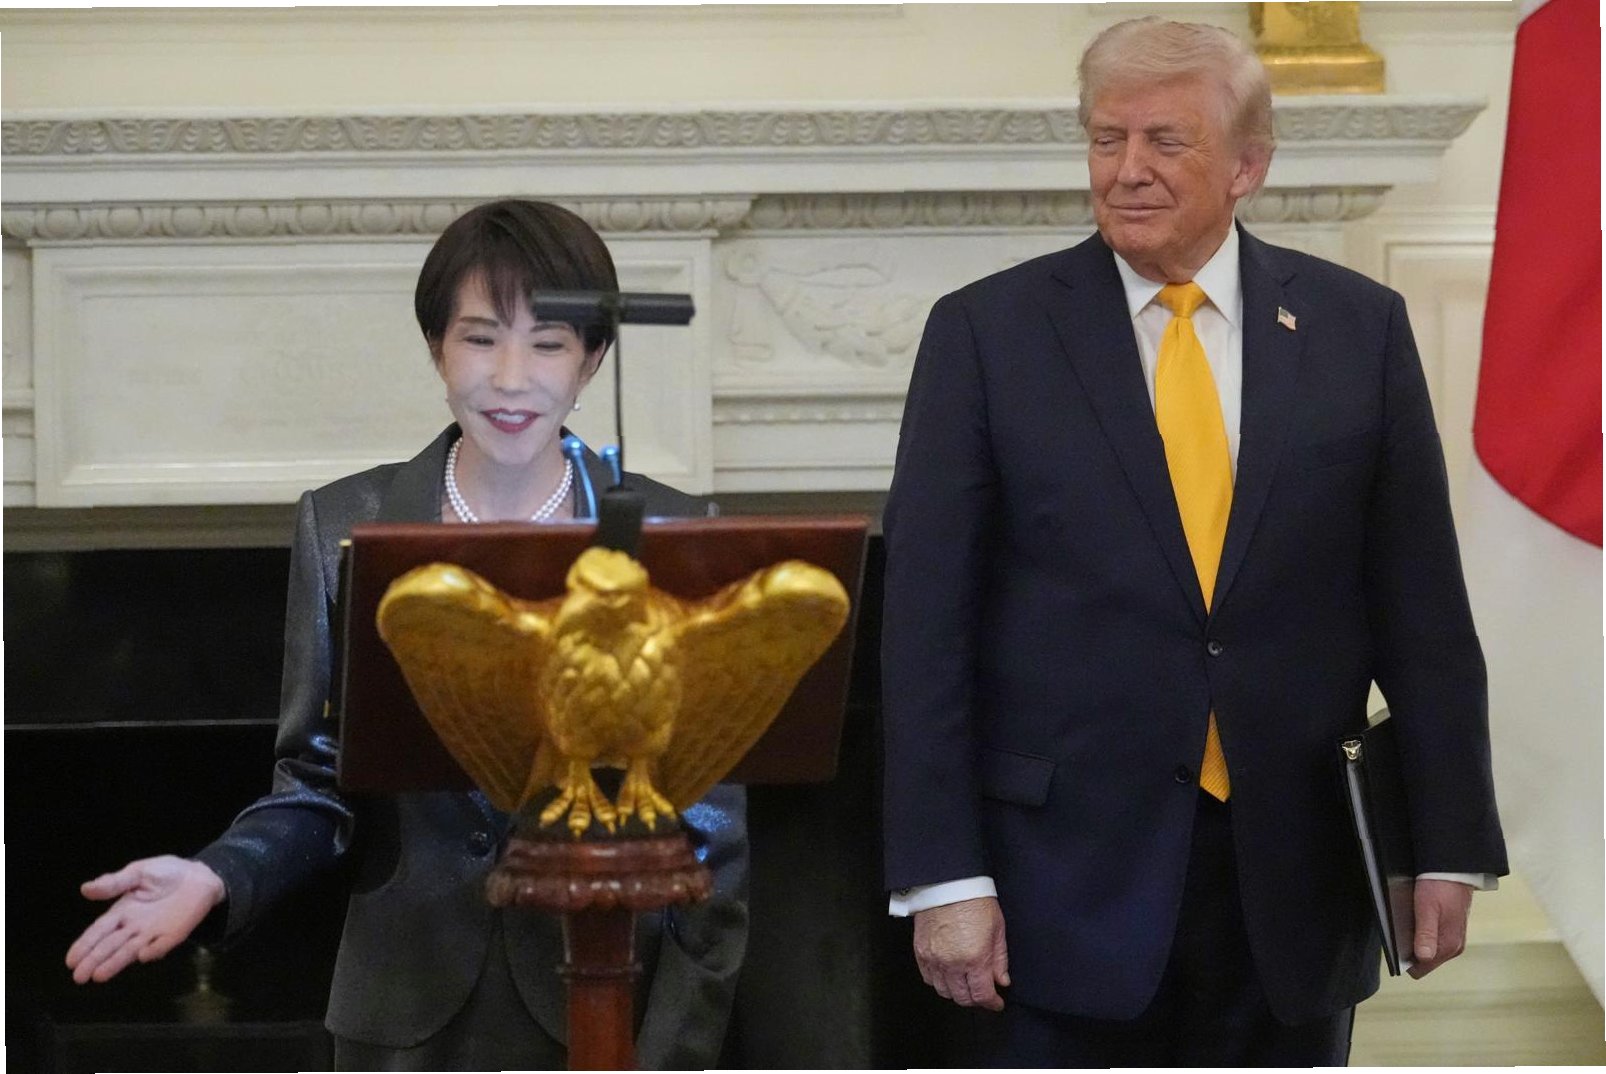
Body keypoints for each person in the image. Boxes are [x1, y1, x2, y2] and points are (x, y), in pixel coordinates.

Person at [880, 18, 1507, 1067]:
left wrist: (1446, 842)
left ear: (1247, 166)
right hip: (1054, 890)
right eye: (1106, 139)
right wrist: (943, 877)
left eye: (1165, 141)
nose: (1127, 170)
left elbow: (1424, 615)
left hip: (1294, 888)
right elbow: (923, 631)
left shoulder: (1359, 330)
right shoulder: (985, 336)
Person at [64, 199, 747, 1070]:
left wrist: (674, 1052)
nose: (510, 378)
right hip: (401, 1017)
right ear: (436, 349)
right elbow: (318, 781)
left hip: (611, 1005)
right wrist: (217, 873)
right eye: (480, 339)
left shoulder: (669, 537)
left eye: (546, 344)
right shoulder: (344, 524)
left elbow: (713, 841)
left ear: (590, 361)